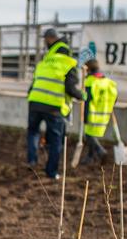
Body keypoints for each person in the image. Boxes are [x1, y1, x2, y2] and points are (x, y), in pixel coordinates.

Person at [27, 28, 85, 180]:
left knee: (33, 132)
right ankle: (51, 172)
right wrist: (82, 96)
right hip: (53, 107)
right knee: (55, 141)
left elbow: (33, 84)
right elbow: (70, 89)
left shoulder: (44, 63)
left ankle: (32, 160)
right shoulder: (69, 64)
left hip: (34, 102)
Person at [82, 59, 118, 165]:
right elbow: (115, 98)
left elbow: (87, 101)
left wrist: (85, 115)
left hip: (92, 114)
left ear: (88, 69)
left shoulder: (91, 82)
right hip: (104, 114)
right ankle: (90, 157)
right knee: (92, 134)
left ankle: (101, 151)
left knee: (89, 135)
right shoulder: (108, 82)